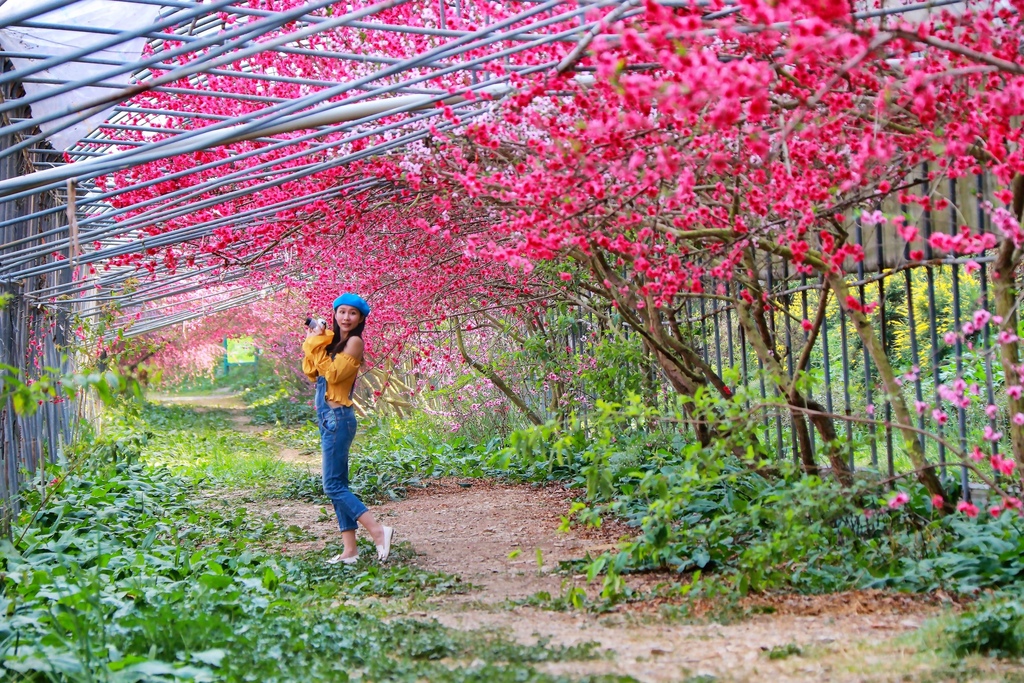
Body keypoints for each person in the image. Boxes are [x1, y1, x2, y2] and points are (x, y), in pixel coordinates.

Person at [302, 292, 394, 565]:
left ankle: (378, 531)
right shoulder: (331, 342)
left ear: (361, 318)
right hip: (328, 418)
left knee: (332, 485)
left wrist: (317, 346)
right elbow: (311, 372)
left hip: (338, 417)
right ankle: (350, 550)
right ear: (334, 314)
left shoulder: (354, 343)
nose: (346, 317)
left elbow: (332, 375)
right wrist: (315, 340)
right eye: (341, 312)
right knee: (338, 483)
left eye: (352, 313)